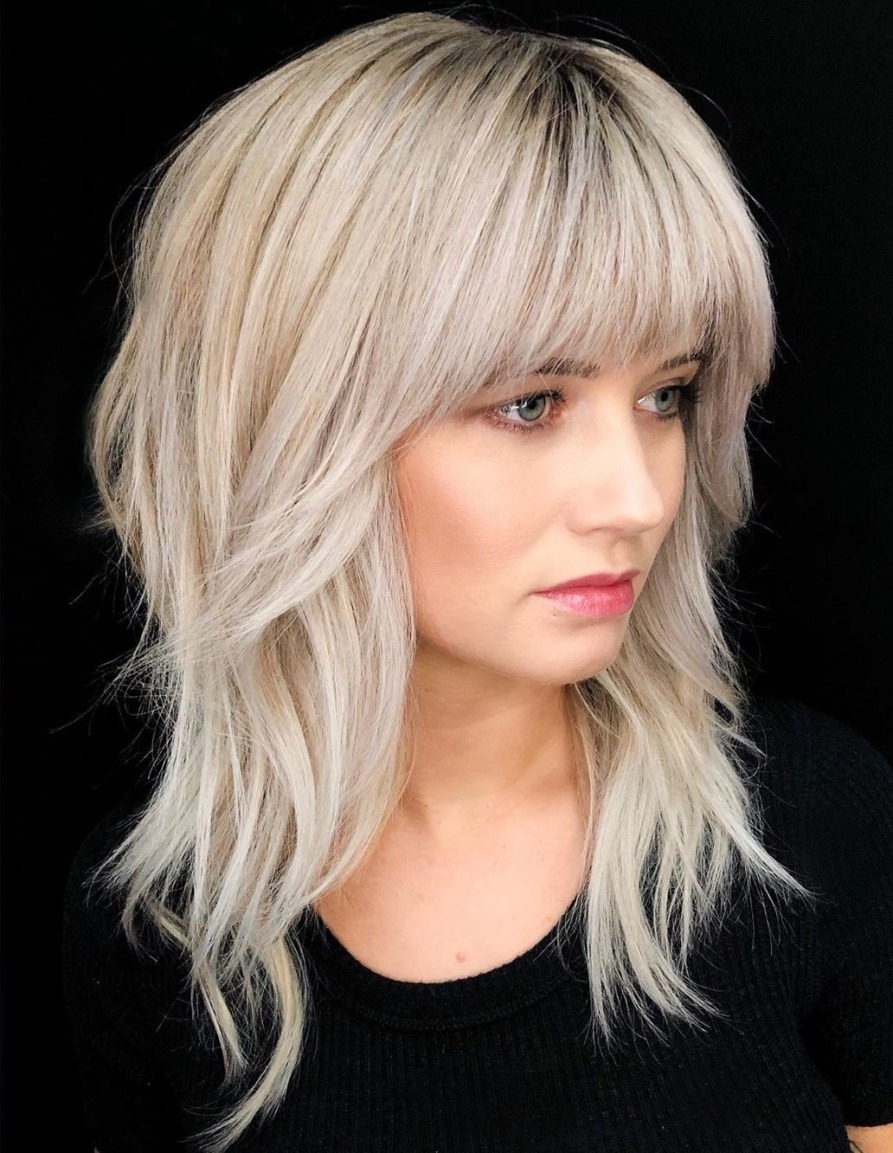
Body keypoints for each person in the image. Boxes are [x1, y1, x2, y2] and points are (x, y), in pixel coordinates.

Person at [61, 10, 893, 1153]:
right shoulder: (156, 936)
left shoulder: (813, 826)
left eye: (665, 394)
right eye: (529, 403)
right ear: (296, 428)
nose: (638, 497)